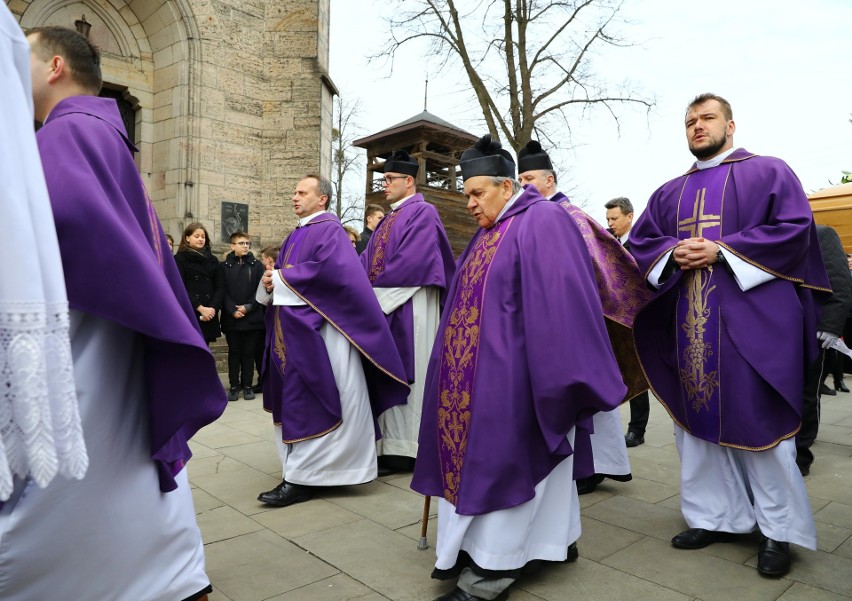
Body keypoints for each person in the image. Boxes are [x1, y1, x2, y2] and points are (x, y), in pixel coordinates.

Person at [0, 24, 227, 600]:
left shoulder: (66, 133)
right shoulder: (101, 131)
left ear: (54, 66)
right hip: (110, 327)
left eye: (18, 57)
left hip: (83, 338)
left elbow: (64, 216)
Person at [411, 135, 626, 601]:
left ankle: (491, 571)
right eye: (466, 194)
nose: (468, 203)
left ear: (507, 187)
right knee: (511, 472)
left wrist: (556, 379)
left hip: (520, 381)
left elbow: (564, 302)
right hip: (473, 380)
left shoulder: (543, 220)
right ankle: (555, 542)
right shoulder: (489, 232)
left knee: (506, 467)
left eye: (476, 193)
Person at [629, 93, 830, 578]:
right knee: (696, 434)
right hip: (690, 330)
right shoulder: (667, 192)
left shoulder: (768, 172)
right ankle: (716, 517)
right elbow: (639, 245)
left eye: (708, 118)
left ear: (731, 125)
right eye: (691, 121)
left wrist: (722, 250)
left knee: (760, 429)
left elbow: (794, 230)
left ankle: (777, 531)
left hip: (750, 329)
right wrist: (670, 254)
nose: (698, 127)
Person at [256, 174, 410, 508]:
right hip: (297, 330)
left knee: (315, 395)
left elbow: (332, 274)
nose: (294, 197)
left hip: (324, 335)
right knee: (299, 396)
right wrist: (272, 281)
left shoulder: (329, 230)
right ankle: (308, 471)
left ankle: (304, 478)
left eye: (302, 192)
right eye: (294, 192)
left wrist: (281, 279)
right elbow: (289, 277)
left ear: (322, 198)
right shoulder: (298, 232)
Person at [517, 141, 649, 495]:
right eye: (519, 179)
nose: (523, 185)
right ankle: (598, 464)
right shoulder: (532, 216)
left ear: (550, 180)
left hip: (576, 320)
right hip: (551, 319)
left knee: (583, 395)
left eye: (529, 178)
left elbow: (602, 270)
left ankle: (592, 467)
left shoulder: (571, 216)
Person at [360, 149, 456, 476]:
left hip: (411, 307)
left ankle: (408, 451)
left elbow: (413, 263)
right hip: (386, 306)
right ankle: (388, 447)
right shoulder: (389, 218)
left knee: (410, 375)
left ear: (409, 180)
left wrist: (369, 303)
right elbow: (363, 264)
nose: (383, 185)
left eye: (389, 179)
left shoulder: (423, 213)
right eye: (383, 178)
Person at [797, 225, 852, 475]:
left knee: (808, 392)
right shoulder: (768, 235)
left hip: (811, 330)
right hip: (774, 331)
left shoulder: (820, 233)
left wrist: (829, 327)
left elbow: (840, 283)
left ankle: (801, 455)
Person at [604, 196, 652, 448]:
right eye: (608, 219)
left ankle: (637, 429)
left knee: (640, 372)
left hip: (641, 318)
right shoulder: (608, 246)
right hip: (617, 319)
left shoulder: (642, 244)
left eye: (614, 218)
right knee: (627, 371)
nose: (610, 223)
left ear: (629, 216)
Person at [221, 231, 265, 401]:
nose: (245, 246)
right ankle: (234, 386)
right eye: (241, 243)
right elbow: (222, 290)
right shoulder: (224, 266)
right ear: (232, 245)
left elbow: (260, 291)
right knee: (234, 352)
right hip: (231, 318)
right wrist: (232, 309)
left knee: (249, 353)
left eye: (247, 243)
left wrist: (247, 307)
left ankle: (247, 386)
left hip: (251, 317)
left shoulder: (256, 265)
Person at [174, 222, 224, 344]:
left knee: (205, 349)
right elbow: (180, 287)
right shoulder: (179, 259)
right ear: (187, 238)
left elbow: (220, 286)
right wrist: (200, 308)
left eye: (203, 236)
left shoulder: (212, 260)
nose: (201, 239)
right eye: (197, 236)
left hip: (208, 312)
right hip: (190, 311)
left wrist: (212, 308)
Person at [252, 245, 280, 394]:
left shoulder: (276, 274)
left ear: (269, 259)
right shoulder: (268, 274)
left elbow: (261, 299)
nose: (262, 262)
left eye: (263, 259)